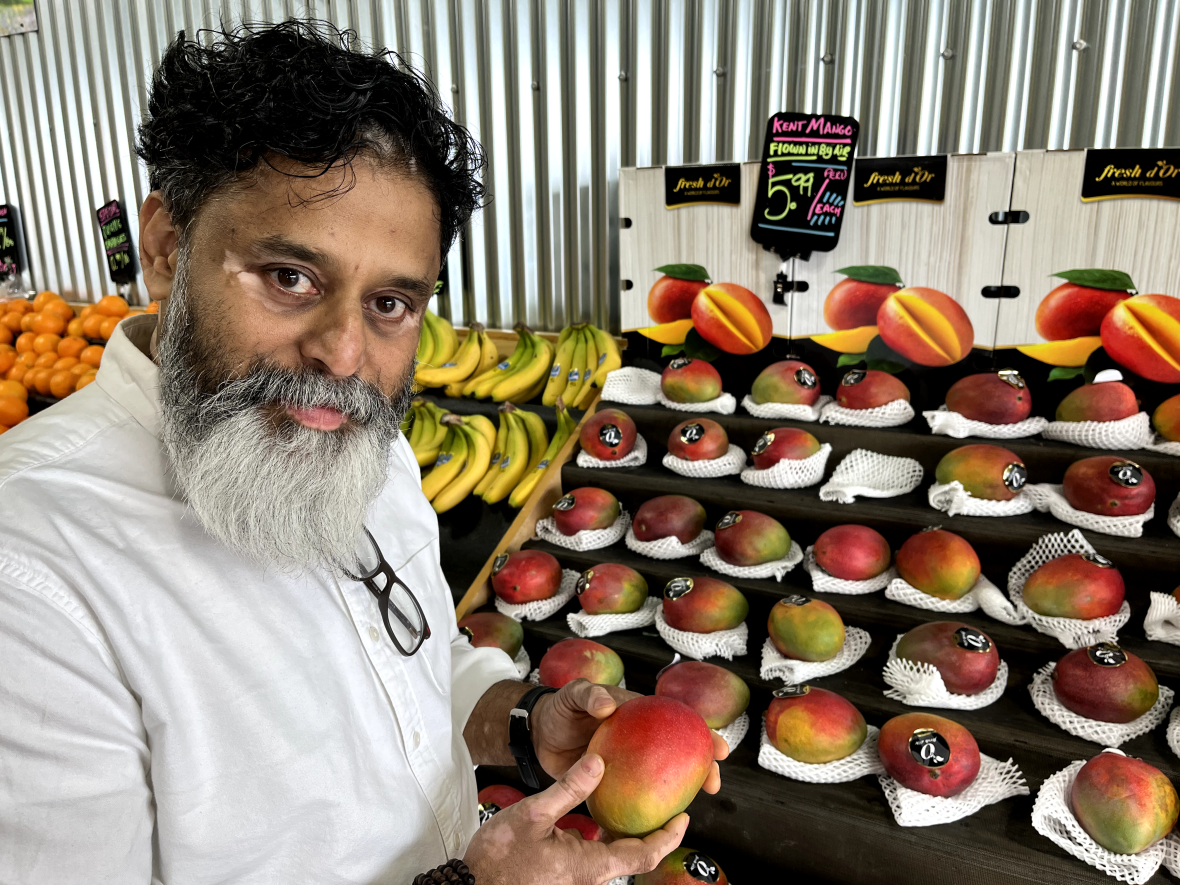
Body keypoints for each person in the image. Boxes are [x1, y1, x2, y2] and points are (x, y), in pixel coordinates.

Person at [0, 21, 725, 885]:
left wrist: (525, 722)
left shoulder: (363, 453)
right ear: (164, 247)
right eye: (289, 277)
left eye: (390, 302)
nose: (343, 356)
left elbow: (409, 666)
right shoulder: (32, 576)